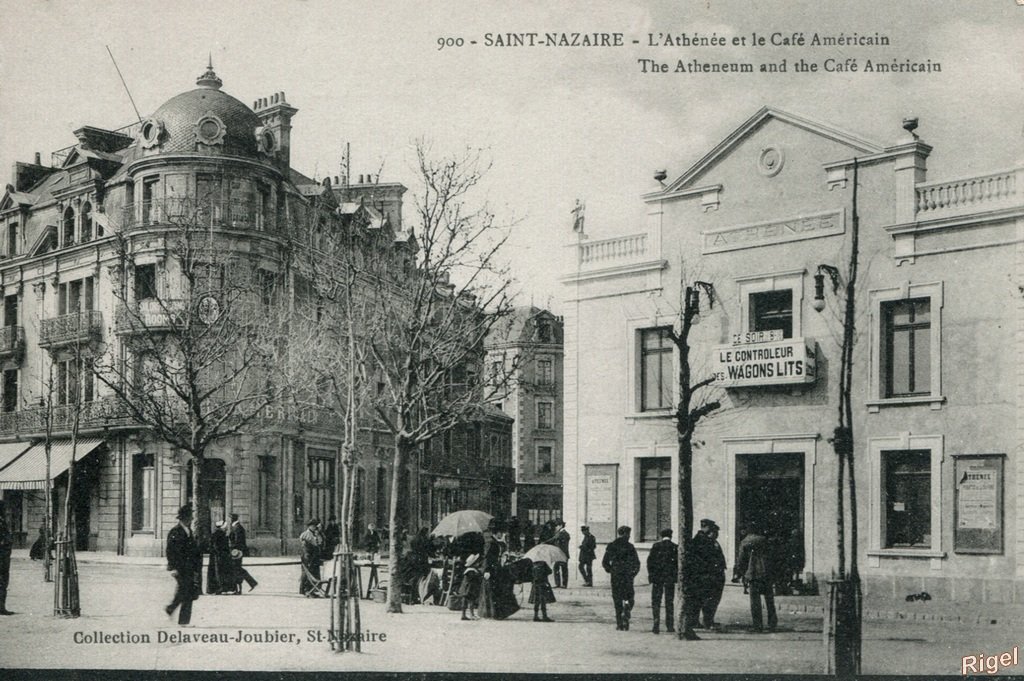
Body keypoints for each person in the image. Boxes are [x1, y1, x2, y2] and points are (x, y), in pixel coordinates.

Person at [734, 521, 777, 632]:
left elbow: (741, 560)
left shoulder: (745, 542)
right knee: (769, 599)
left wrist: (740, 573)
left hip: (754, 574)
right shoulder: (765, 540)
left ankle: (757, 625)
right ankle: (772, 623)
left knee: (755, 601)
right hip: (767, 573)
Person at [165, 504, 202, 626]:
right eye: (190, 516)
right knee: (186, 592)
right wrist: (173, 567)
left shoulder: (188, 531)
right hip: (180, 568)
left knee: (184, 591)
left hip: (189, 567)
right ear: (184, 518)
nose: (192, 519)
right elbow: (170, 551)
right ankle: (182, 620)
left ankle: (172, 610)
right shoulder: (175, 532)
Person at [602, 525, 640, 631]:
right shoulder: (630, 547)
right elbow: (637, 563)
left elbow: (605, 562)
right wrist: (633, 573)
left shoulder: (612, 545)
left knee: (617, 599)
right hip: (627, 576)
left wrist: (611, 570)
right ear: (626, 534)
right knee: (629, 597)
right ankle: (627, 609)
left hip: (616, 576)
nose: (628, 536)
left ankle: (619, 623)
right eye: (628, 534)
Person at [646, 528, 678, 635]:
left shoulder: (656, 546)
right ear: (671, 535)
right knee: (669, 601)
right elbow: (677, 564)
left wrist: (651, 576)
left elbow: (650, 562)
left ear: (661, 536)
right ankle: (670, 625)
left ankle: (656, 623)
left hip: (657, 578)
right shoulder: (674, 547)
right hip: (669, 579)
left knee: (656, 601)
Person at [697, 520, 727, 630]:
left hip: (715, 574)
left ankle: (708, 621)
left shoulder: (711, 541)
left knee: (711, 599)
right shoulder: (703, 542)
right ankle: (707, 622)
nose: (716, 534)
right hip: (710, 575)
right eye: (714, 532)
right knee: (709, 599)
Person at [229, 513, 258, 593]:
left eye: (230, 518)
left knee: (236, 570)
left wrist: (231, 548)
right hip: (237, 552)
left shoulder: (237, 528)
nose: (229, 520)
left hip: (236, 553)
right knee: (238, 569)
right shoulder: (237, 527)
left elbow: (237, 542)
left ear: (233, 519)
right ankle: (251, 583)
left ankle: (239, 589)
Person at [207, 520, 234, 594]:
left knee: (217, 572)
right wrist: (221, 554)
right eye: (225, 527)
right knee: (219, 572)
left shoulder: (217, 534)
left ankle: (217, 588)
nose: (226, 528)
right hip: (219, 557)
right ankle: (220, 588)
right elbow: (216, 546)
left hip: (217, 556)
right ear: (221, 527)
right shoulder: (219, 534)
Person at [299, 518, 324, 596]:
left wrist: (319, 533)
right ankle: (306, 589)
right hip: (308, 557)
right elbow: (305, 548)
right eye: (313, 526)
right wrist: (307, 558)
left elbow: (320, 542)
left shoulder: (316, 534)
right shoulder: (305, 535)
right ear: (309, 526)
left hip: (315, 557)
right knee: (307, 573)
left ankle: (312, 590)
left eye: (315, 526)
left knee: (315, 574)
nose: (314, 527)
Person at [458, 553, 482, 620]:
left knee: (465, 602)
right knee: (471, 601)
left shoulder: (468, 570)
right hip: (470, 588)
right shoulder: (471, 571)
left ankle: (463, 614)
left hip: (466, 588)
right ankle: (472, 614)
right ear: (474, 564)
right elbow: (473, 578)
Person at [0, 500, 14, 615]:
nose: (7, 511)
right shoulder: (1, 523)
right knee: (2, 582)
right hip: (2, 558)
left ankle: (2, 607)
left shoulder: (2, 522)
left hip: (4, 556)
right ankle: (1, 608)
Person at [551, 520, 570, 588]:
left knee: (563, 569)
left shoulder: (563, 534)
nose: (556, 527)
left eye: (557, 525)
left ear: (561, 526)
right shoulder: (559, 533)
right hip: (559, 554)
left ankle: (563, 584)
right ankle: (559, 584)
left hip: (562, 554)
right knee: (557, 568)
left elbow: (554, 540)